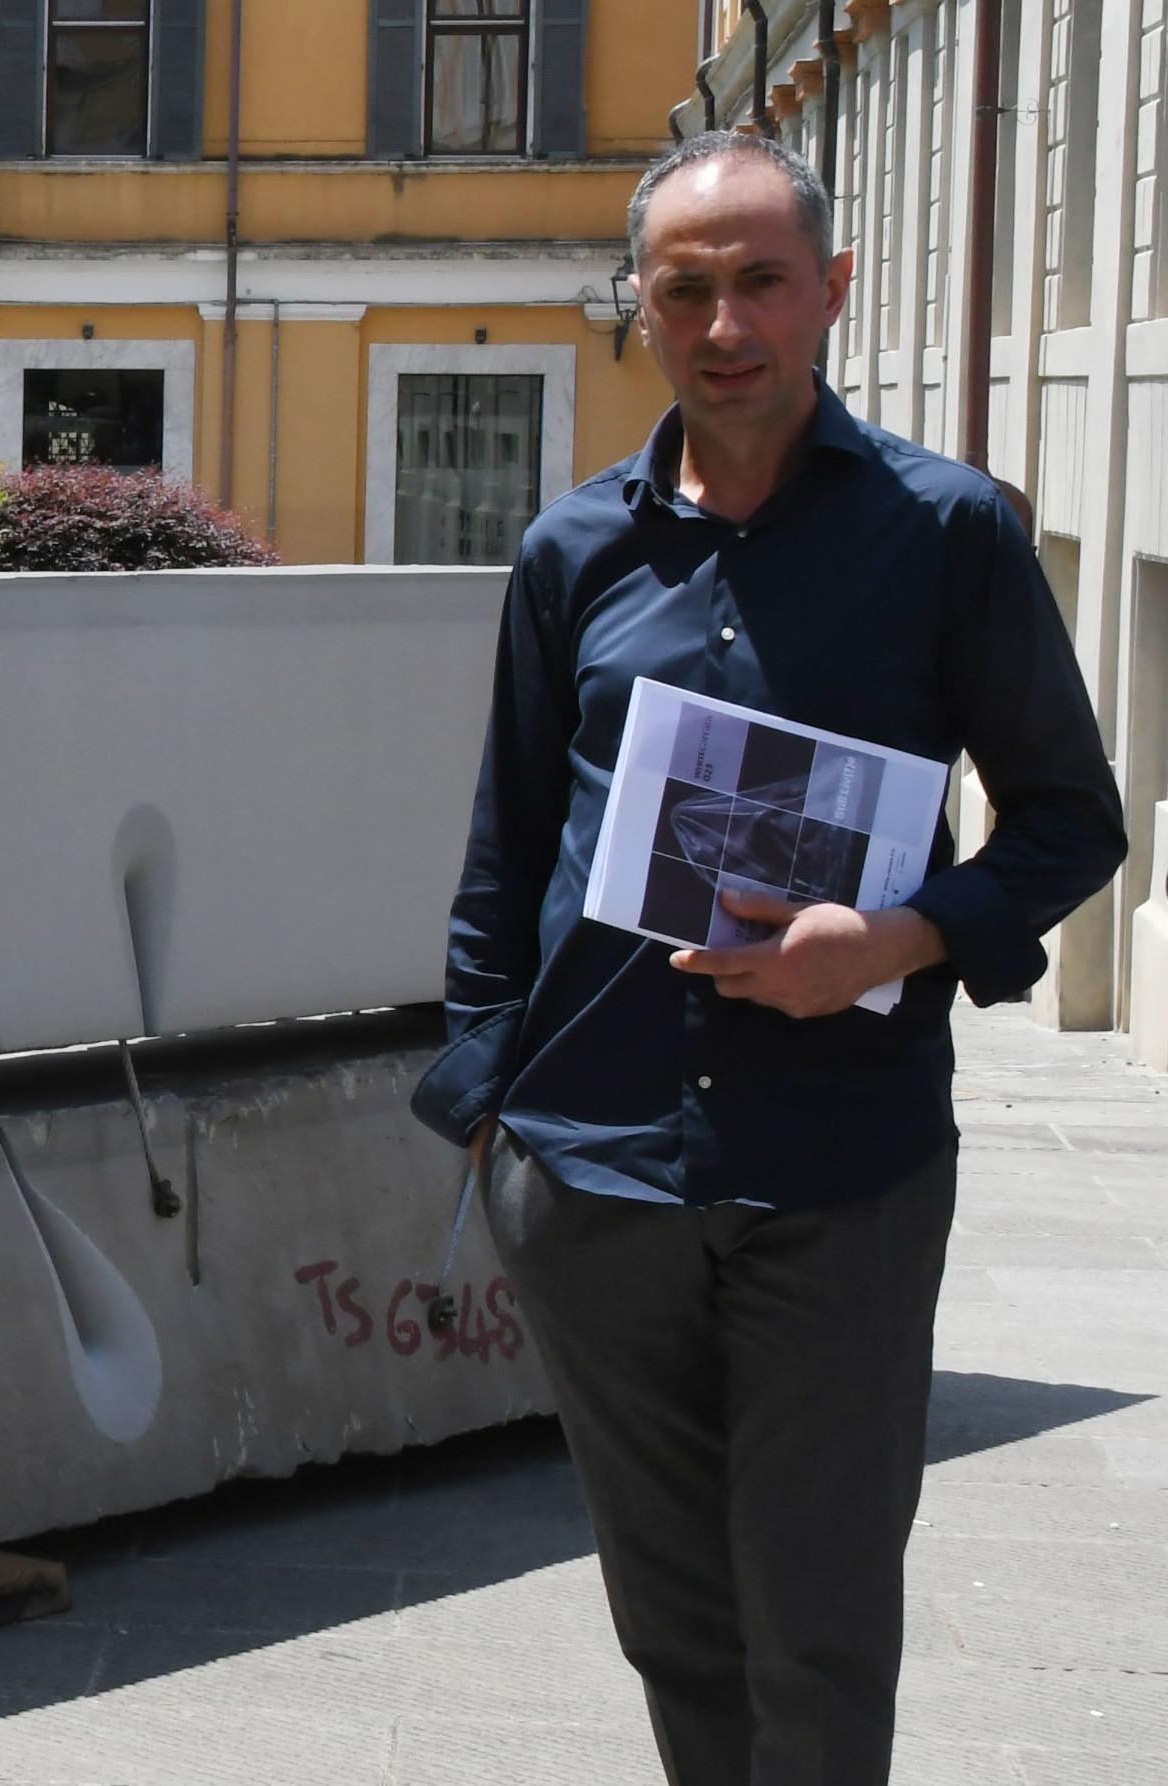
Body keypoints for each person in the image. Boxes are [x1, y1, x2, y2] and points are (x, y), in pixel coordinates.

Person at [411, 132, 1125, 1784]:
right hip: (593, 1176)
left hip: (840, 1173)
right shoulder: (571, 554)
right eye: (685, 287)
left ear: (831, 292)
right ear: (640, 306)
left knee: (814, 1632)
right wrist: (486, 1104)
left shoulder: (943, 533)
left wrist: (894, 938)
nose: (723, 321)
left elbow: (1069, 821)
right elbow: (509, 846)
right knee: (675, 1629)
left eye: (759, 281)